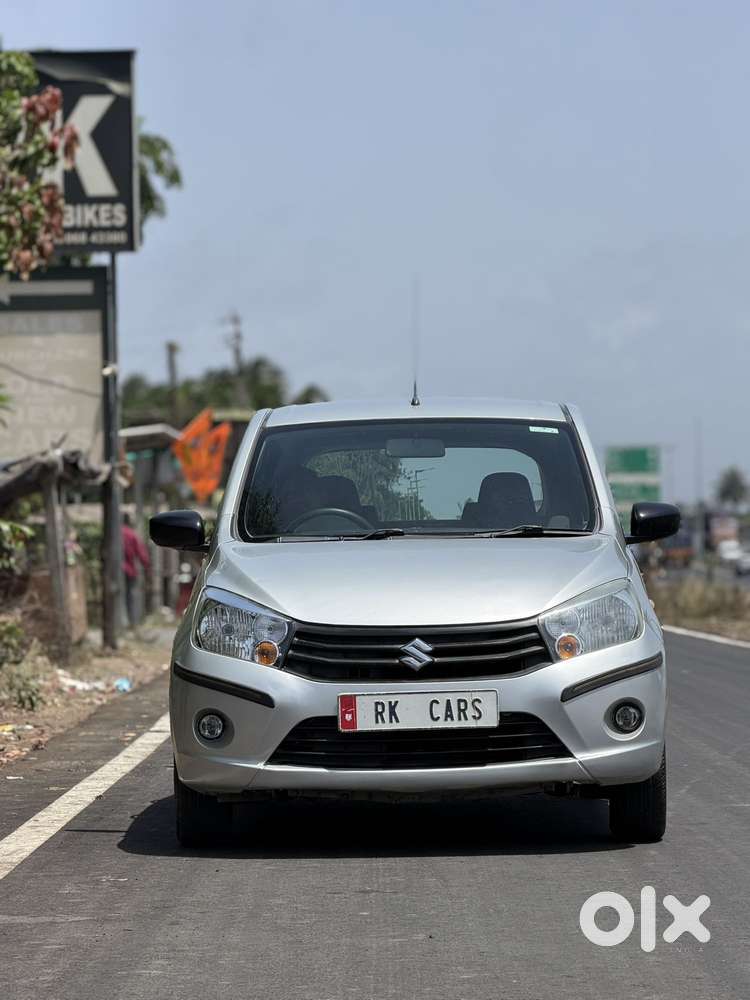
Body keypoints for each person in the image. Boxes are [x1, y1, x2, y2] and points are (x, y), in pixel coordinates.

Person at [122, 512, 150, 628]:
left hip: (113, 572)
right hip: (129, 571)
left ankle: (121, 623)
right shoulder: (131, 534)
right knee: (130, 597)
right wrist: (147, 567)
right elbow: (142, 554)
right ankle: (132, 623)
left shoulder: (112, 533)